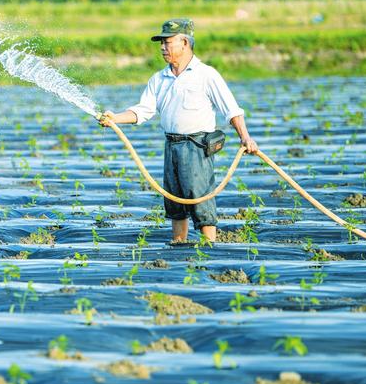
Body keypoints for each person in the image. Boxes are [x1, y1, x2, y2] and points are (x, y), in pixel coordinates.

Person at [99, 18, 258, 243]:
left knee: (200, 197)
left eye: (168, 42)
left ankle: (209, 246)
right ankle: (179, 243)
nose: (163, 47)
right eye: (161, 43)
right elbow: (142, 111)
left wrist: (246, 137)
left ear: (185, 43)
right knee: (174, 199)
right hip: (171, 145)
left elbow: (231, 110)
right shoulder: (159, 79)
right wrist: (115, 118)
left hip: (197, 146)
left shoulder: (206, 74)